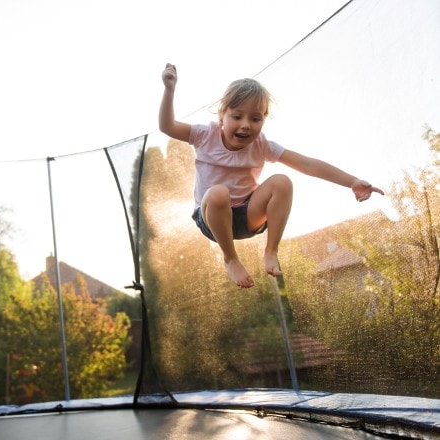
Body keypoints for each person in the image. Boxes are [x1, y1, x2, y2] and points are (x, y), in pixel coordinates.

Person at [159, 63, 384, 288]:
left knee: (282, 182)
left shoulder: (262, 145)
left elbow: (307, 164)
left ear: (263, 120)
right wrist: (169, 89)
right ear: (222, 116)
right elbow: (167, 126)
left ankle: (271, 250)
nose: (245, 125)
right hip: (212, 217)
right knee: (219, 193)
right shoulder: (204, 135)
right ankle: (231, 258)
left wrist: (352, 181)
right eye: (237, 116)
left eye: (255, 119)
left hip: (248, 215)